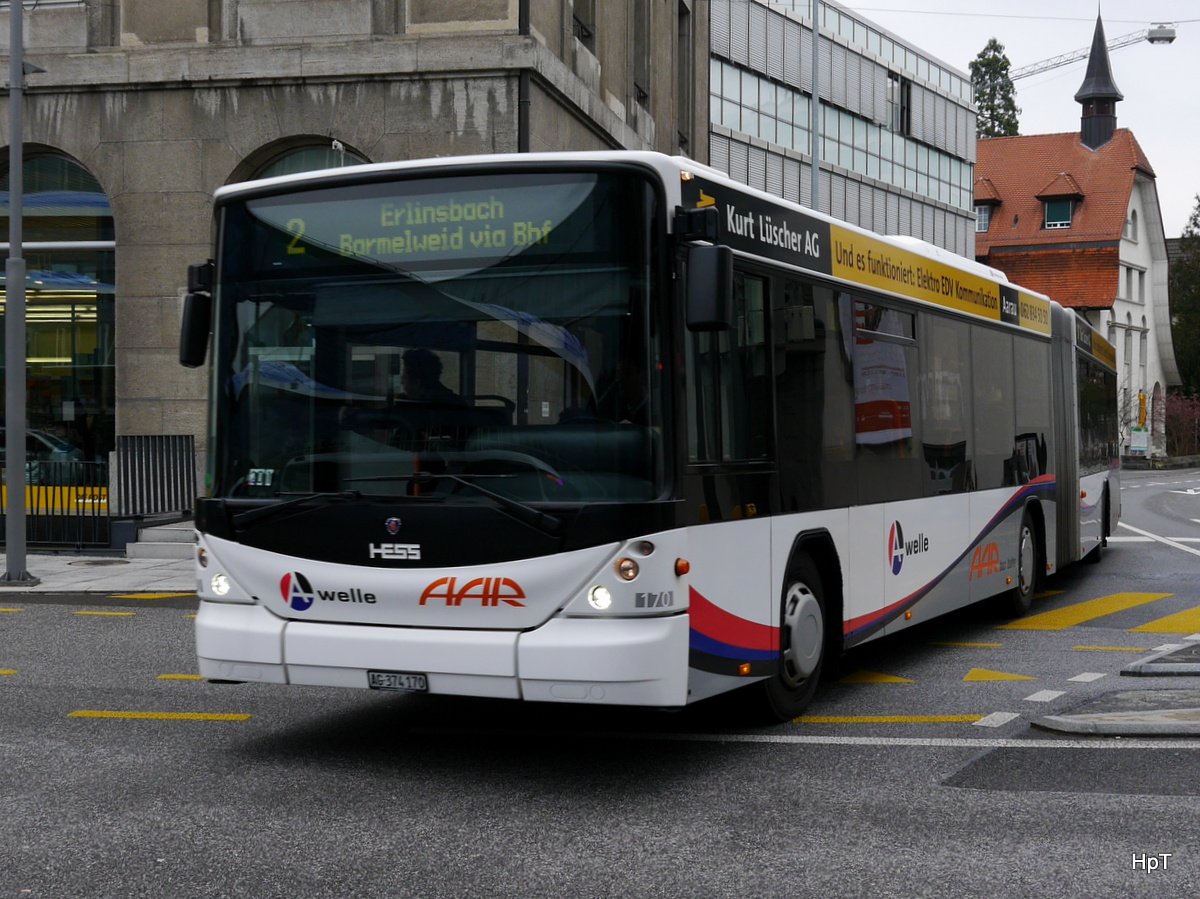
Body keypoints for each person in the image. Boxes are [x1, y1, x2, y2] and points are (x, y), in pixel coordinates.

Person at [400, 348, 464, 404]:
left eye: (404, 378)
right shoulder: (456, 402)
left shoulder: (410, 407)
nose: (401, 382)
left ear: (416, 382)